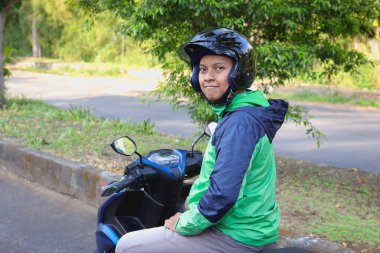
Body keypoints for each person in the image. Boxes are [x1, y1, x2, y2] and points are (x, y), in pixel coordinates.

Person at [116, 27, 288, 253]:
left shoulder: (239, 124)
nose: (208, 76)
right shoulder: (243, 114)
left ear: (239, 73)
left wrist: (184, 224)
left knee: (127, 246)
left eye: (219, 68)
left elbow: (222, 196)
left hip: (235, 235)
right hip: (250, 227)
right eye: (203, 69)